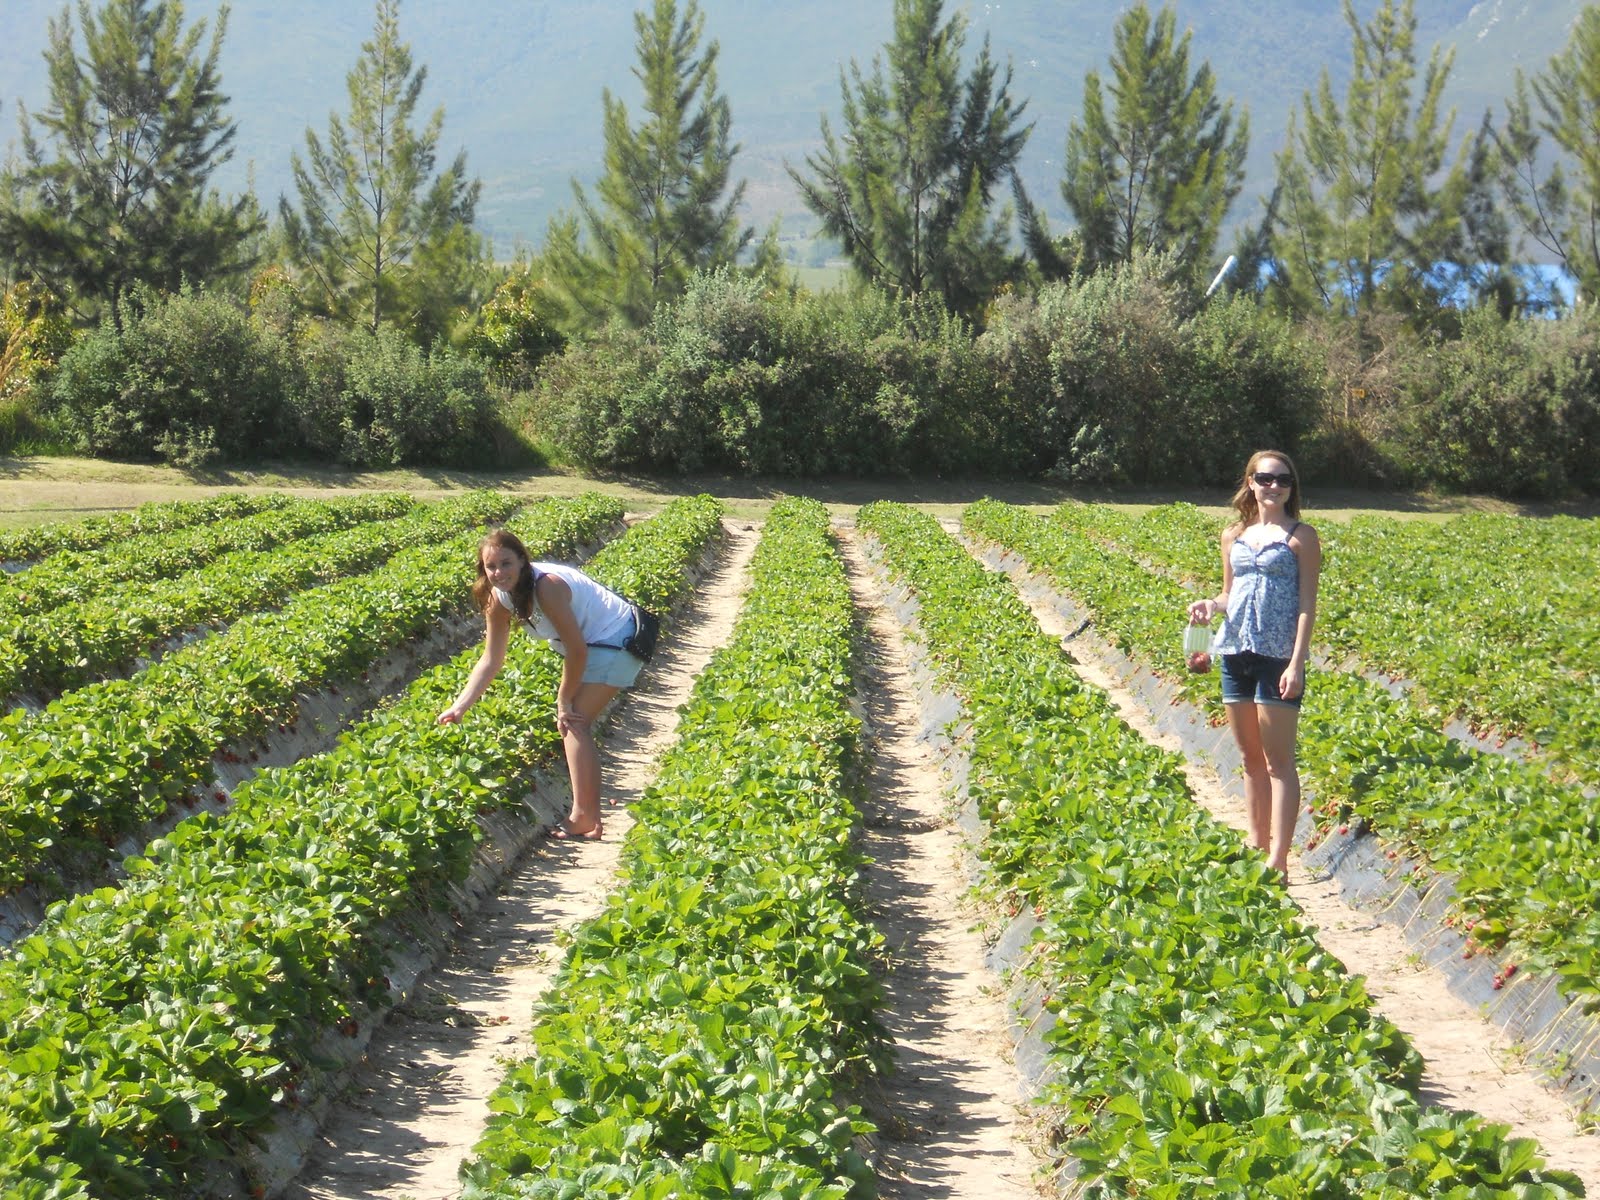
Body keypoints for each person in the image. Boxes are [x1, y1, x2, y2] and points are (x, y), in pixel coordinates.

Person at [437, 529, 646, 840]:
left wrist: (564, 700)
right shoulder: (499, 598)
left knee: (573, 720)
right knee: (574, 722)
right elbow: (491, 659)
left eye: (506, 563)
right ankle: (589, 818)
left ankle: (584, 817)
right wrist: (460, 705)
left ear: (523, 560)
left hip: (619, 640)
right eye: (491, 566)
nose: (499, 573)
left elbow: (577, 650)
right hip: (597, 645)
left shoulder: (547, 587)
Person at [1187, 450, 1321, 879]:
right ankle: (1255, 846)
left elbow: (1306, 604)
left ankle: (1279, 859)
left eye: (1284, 480)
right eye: (1266, 479)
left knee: (1279, 762)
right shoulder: (1234, 536)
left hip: (1276, 655)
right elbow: (1230, 593)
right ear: (1250, 483)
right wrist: (1210, 605)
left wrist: (1296, 663)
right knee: (1250, 760)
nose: (1275, 487)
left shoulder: (1301, 537)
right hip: (1235, 651)